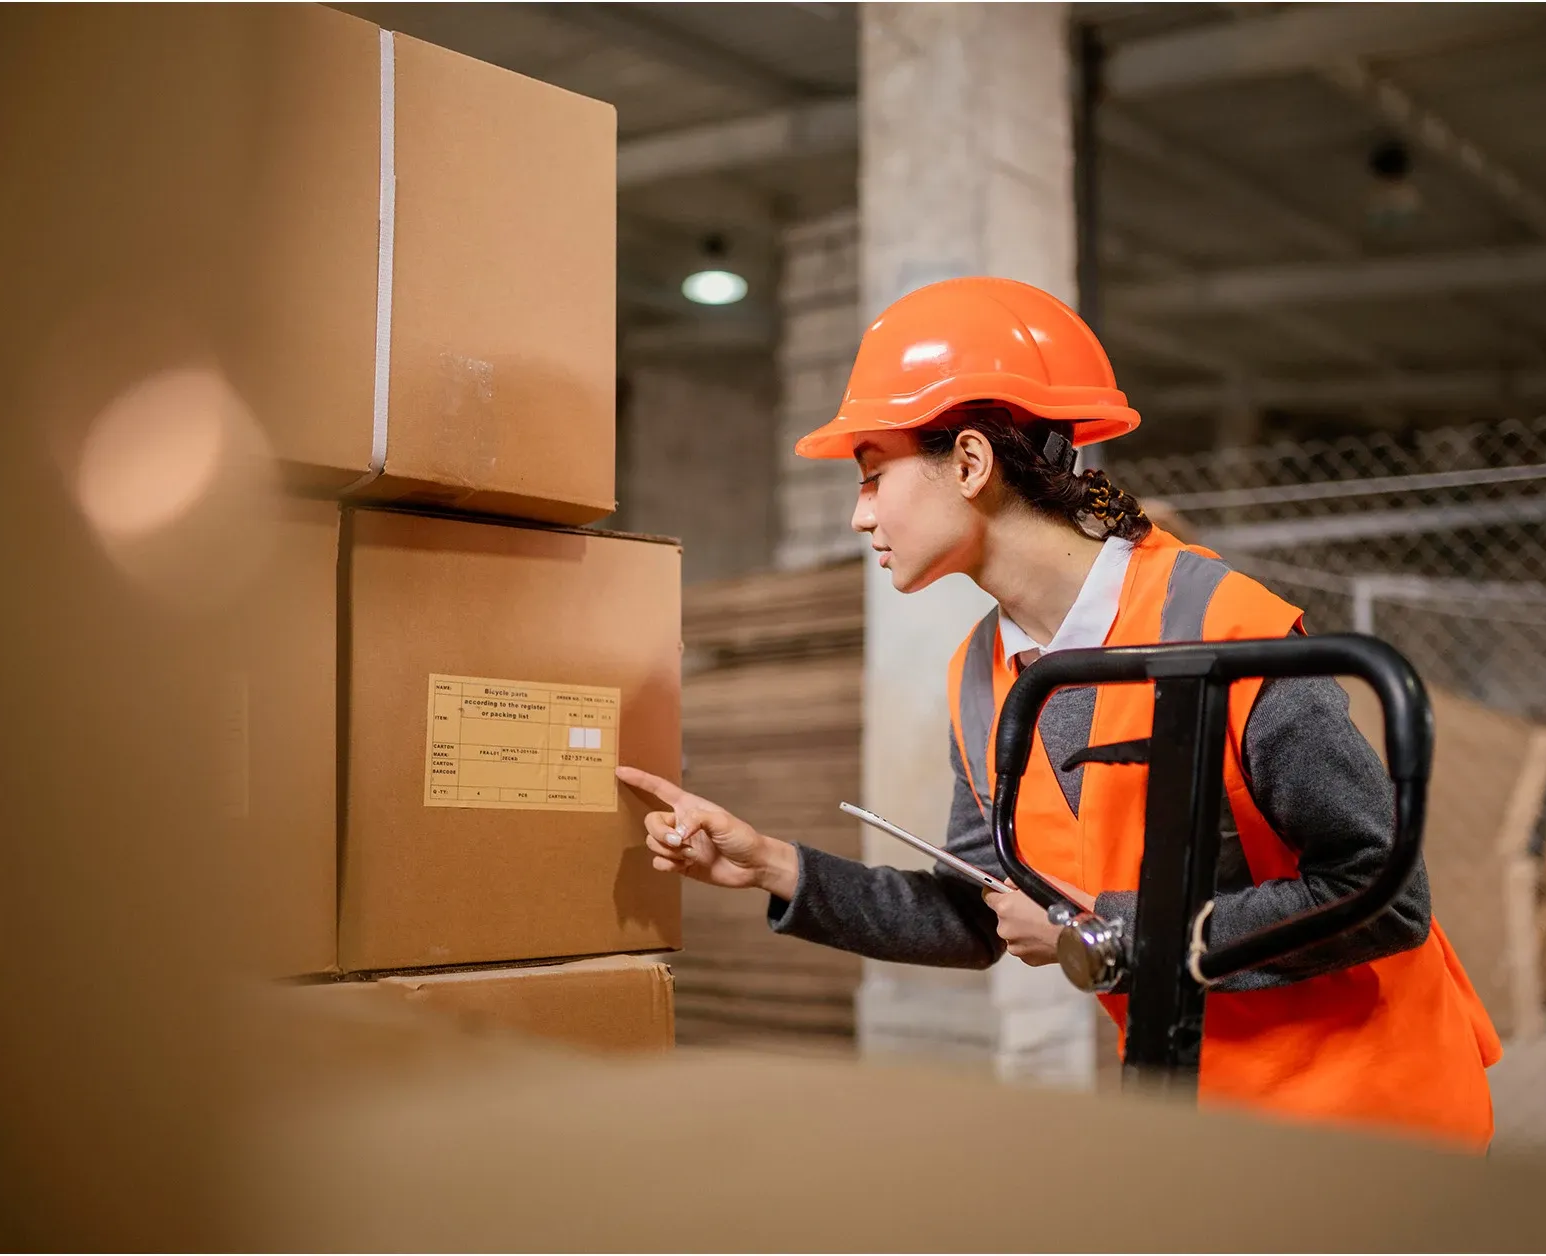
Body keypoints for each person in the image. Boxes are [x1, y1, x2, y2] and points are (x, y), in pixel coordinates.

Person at [616, 276, 1501, 1149]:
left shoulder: (1221, 627)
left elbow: (1379, 896)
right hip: (1195, 1103)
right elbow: (974, 918)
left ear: (968, 463)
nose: (859, 515)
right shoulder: (984, 675)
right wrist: (768, 862)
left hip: (1371, 1118)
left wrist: (1112, 933)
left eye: (873, 476)